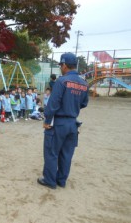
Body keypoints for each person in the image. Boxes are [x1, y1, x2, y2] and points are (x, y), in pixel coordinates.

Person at [38, 52, 89, 189]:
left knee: (52, 151)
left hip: (59, 123)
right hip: (73, 123)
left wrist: (47, 120)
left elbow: (53, 104)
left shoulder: (62, 81)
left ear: (65, 65)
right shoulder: (84, 83)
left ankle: (50, 180)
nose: (61, 67)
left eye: (61, 64)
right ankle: (61, 180)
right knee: (67, 154)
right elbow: (84, 103)